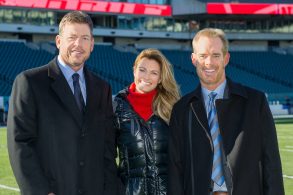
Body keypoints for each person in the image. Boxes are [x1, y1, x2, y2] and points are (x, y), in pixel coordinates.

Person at [7, 11, 119, 195]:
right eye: (72, 37)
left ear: (92, 44)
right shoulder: (30, 82)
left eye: (84, 38)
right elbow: (20, 143)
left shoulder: (102, 88)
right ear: (59, 41)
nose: (78, 44)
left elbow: (107, 149)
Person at [168, 28, 284, 195]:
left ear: (226, 58)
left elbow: (271, 162)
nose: (209, 63)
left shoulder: (255, 102)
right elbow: (175, 169)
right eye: (203, 56)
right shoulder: (182, 109)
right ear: (193, 59)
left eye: (216, 55)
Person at [113, 48, 180, 195]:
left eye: (154, 73)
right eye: (142, 70)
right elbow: (105, 156)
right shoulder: (116, 106)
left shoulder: (172, 107)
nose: (146, 77)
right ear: (134, 71)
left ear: (160, 78)